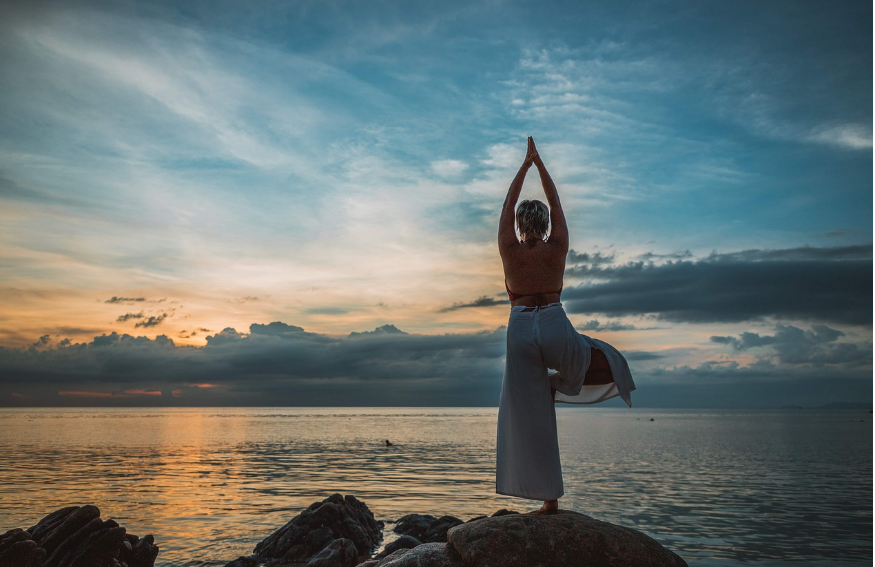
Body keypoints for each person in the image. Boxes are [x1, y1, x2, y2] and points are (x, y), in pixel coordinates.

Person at [495, 136, 636, 513]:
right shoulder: (556, 247)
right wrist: (539, 164)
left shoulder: (509, 250)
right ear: (543, 224)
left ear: (521, 224)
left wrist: (522, 167)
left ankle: (548, 498)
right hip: (554, 322)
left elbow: (507, 206)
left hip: (521, 326)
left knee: (529, 410)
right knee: (584, 362)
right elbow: (556, 203)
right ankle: (562, 385)